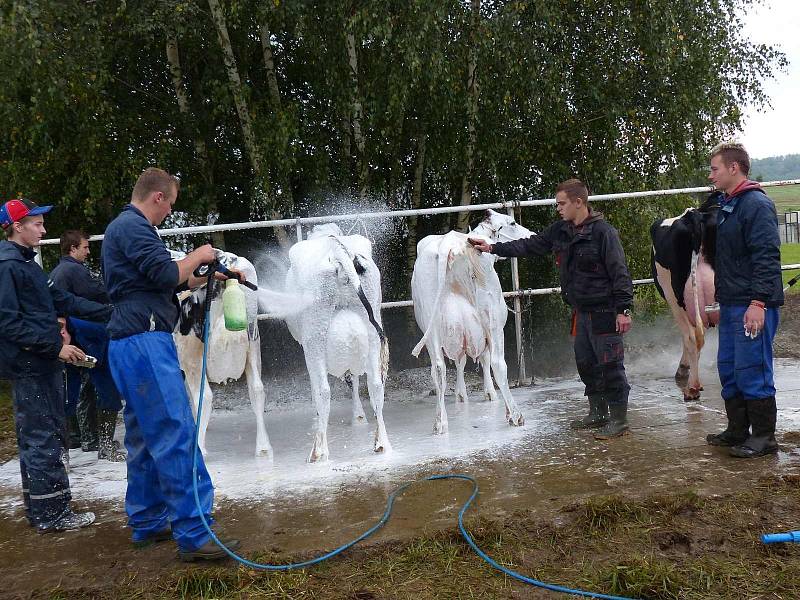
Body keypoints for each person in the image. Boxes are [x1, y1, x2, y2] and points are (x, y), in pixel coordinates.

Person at [102, 167, 239, 561]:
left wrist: (198, 277)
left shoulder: (125, 230)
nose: (168, 214)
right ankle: (195, 533)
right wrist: (198, 255)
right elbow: (164, 271)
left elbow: (160, 280)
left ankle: (147, 521)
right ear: (158, 196)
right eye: (170, 205)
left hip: (129, 343)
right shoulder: (132, 226)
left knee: (144, 437)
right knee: (175, 430)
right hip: (145, 342)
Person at [469, 179, 634, 439]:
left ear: (578, 202)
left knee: (611, 366)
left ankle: (619, 420)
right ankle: (598, 412)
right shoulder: (561, 231)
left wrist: (624, 309)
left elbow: (620, 273)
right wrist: (492, 248)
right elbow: (529, 244)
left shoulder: (604, 233)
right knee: (586, 364)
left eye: (562, 204)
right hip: (581, 312)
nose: (558, 208)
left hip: (605, 311)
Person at [0, 198, 112, 533]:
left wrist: (113, 310)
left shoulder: (28, 265)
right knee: (42, 437)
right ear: (17, 226)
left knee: (42, 435)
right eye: (37, 224)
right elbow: (7, 323)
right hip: (31, 365)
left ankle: (40, 509)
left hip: (41, 361)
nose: (44, 229)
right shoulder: (8, 266)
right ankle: (53, 514)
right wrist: (56, 348)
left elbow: (64, 301)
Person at [705, 143, 784, 458]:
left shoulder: (755, 204)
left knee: (753, 368)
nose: (711, 175)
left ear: (733, 168)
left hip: (752, 303)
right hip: (732, 302)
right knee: (730, 367)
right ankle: (738, 430)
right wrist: (718, 301)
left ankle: (764, 437)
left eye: (715, 169)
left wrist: (759, 303)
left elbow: (766, 256)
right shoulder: (729, 204)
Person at [50, 230, 125, 462]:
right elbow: (100, 295)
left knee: (68, 394)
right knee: (107, 387)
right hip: (87, 339)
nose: (88, 250)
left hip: (69, 340)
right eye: (85, 247)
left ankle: (63, 453)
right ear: (72, 249)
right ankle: (104, 445)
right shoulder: (73, 270)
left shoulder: (57, 272)